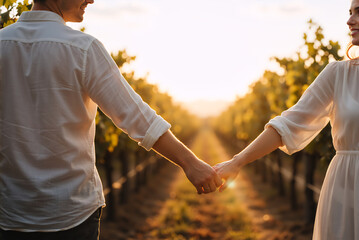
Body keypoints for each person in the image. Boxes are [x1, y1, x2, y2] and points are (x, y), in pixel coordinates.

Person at [0, 0, 222, 239]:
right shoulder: (82, 49)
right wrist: (190, 163)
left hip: (10, 215)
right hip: (71, 215)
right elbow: (136, 116)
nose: (91, 0)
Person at [214, 0, 359, 239]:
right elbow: (287, 125)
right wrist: (237, 162)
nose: (349, 20)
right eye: (349, 13)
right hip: (344, 193)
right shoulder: (337, 74)